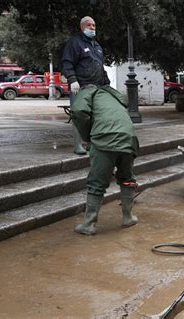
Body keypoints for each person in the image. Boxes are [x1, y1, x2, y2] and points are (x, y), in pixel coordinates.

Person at [71, 85, 139, 236]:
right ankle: (128, 218)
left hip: (105, 140)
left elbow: (78, 111)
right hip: (129, 139)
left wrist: (87, 137)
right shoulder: (113, 96)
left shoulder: (88, 91)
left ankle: (88, 224)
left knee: (96, 183)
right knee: (127, 179)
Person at [62, 16, 110, 155]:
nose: (92, 28)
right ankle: (78, 145)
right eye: (89, 25)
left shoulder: (97, 46)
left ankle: (90, 144)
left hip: (97, 87)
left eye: (94, 25)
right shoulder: (75, 43)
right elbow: (67, 62)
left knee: (95, 116)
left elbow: (100, 66)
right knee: (79, 115)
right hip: (80, 87)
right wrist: (72, 80)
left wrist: (106, 83)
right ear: (82, 27)